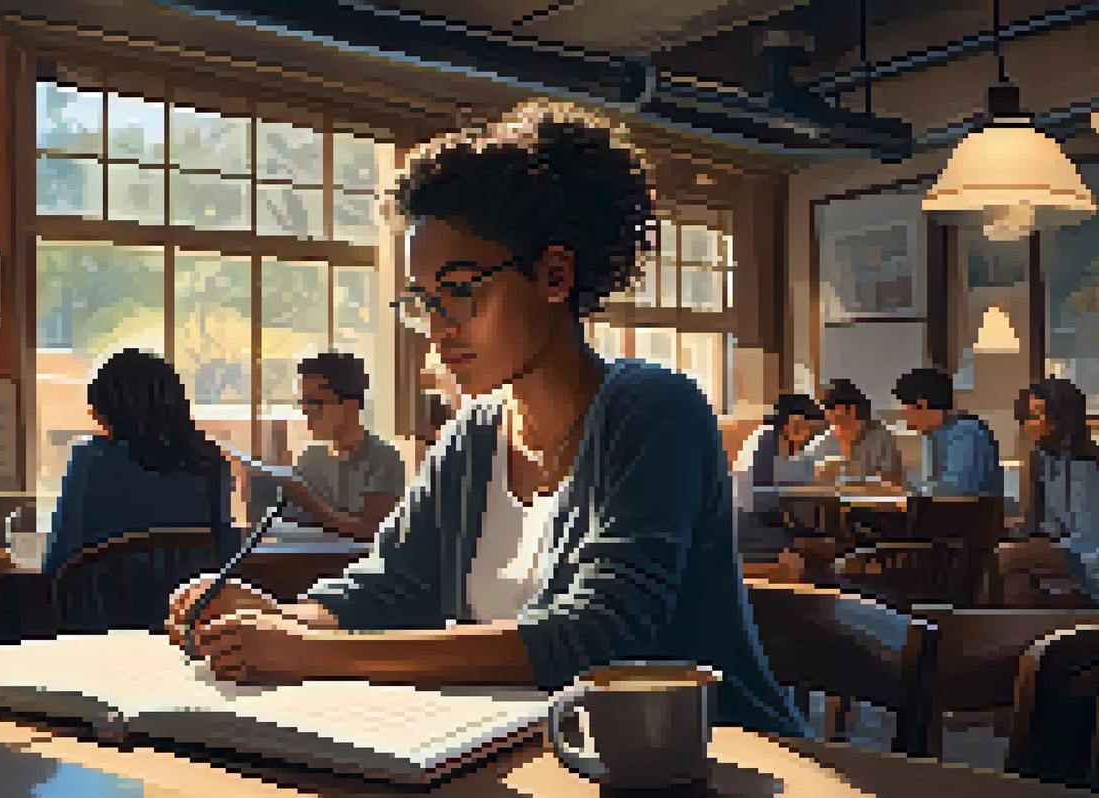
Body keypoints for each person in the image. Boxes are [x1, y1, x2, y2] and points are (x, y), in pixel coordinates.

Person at [167, 101, 809, 739]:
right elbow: (396, 582)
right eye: (424, 301)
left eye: (461, 290)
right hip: (544, 760)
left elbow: (600, 638)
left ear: (554, 274)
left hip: (707, 763)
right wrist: (288, 619)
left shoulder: (655, 411)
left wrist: (309, 653)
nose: (439, 329)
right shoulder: (476, 430)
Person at [42, 349, 232, 575]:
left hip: (100, 607)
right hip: (189, 605)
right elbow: (226, 555)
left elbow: (59, 558)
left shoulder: (89, 460)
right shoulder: (207, 460)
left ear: (107, 410)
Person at [995, 379, 1099, 606]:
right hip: (1066, 546)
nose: (1028, 423)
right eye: (1027, 415)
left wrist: (1036, 546)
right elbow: (1035, 521)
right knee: (1014, 574)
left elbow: (1091, 536)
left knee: (1006, 558)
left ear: (1061, 418)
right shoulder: (1040, 458)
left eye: (1037, 414)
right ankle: (1026, 634)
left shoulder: (1084, 463)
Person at [261, 352, 405, 543]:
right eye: (303, 402)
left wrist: (312, 505)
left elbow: (373, 532)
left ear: (351, 406)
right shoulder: (311, 457)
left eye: (315, 402)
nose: (305, 410)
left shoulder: (383, 460)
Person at [892, 367, 1004, 497]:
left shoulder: (965, 432)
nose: (903, 415)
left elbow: (954, 488)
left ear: (922, 405)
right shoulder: (935, 433)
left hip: (972, 514)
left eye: (905, 407)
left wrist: (906, 491)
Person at [795, 379, 904, 487]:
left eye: (829, 407)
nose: (826, 414)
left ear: (850, 409)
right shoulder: (826, 440)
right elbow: (803, 470)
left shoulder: (881, 438)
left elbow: (892, 483)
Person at [730, 393, 823, 513]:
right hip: (753, 516)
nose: (810, 435)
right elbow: (762, 490)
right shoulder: (765, 441)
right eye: (809, 428)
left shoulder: (785, 442)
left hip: (768, 511)